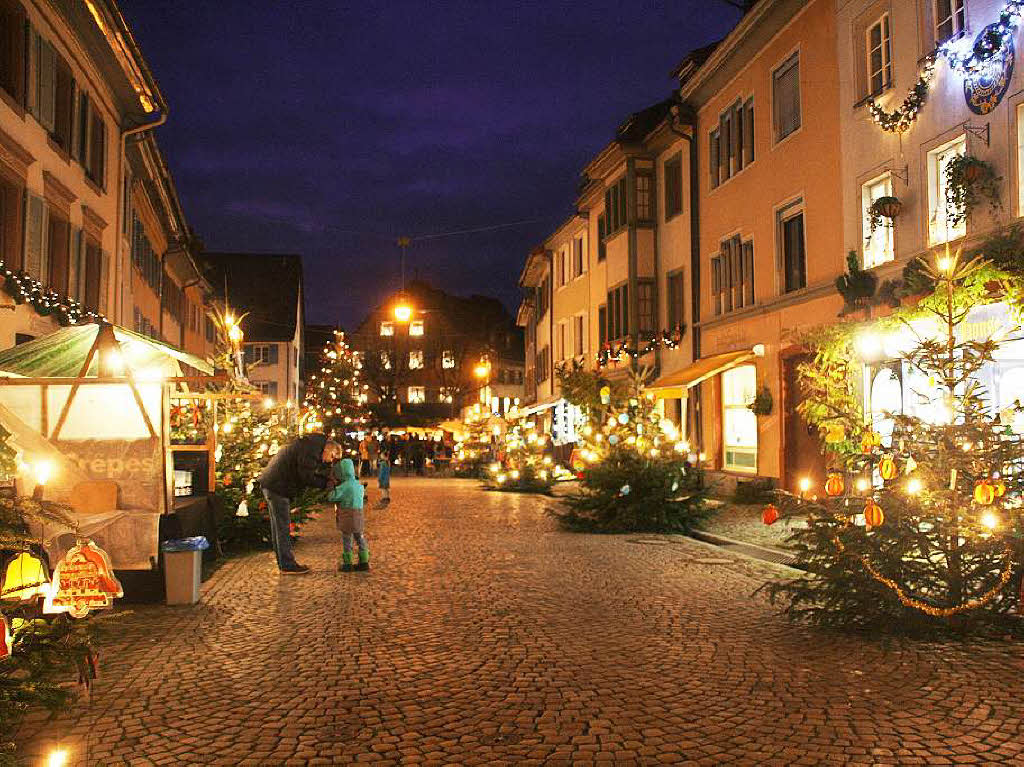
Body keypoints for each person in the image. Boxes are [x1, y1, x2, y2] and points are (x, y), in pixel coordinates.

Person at [258, 433, 341, 574]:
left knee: (278, 527)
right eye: (332, 457)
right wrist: (325, 483)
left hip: (273, 483)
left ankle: (284, 563)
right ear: (328, 449)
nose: (329, 461)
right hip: (278, 486)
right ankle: (287, 564)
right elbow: (306, 476)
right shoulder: (311, 450)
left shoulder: (311, 446)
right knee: (282, 527)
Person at [328, 458, 369, 572]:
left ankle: (348, 563)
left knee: (347, 540)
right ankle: (364, 561)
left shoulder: (345, 486)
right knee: (360, 537)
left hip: (347, 516)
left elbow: (332, 497)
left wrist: (331, 485)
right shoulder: (358, 485)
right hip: (359, 515)